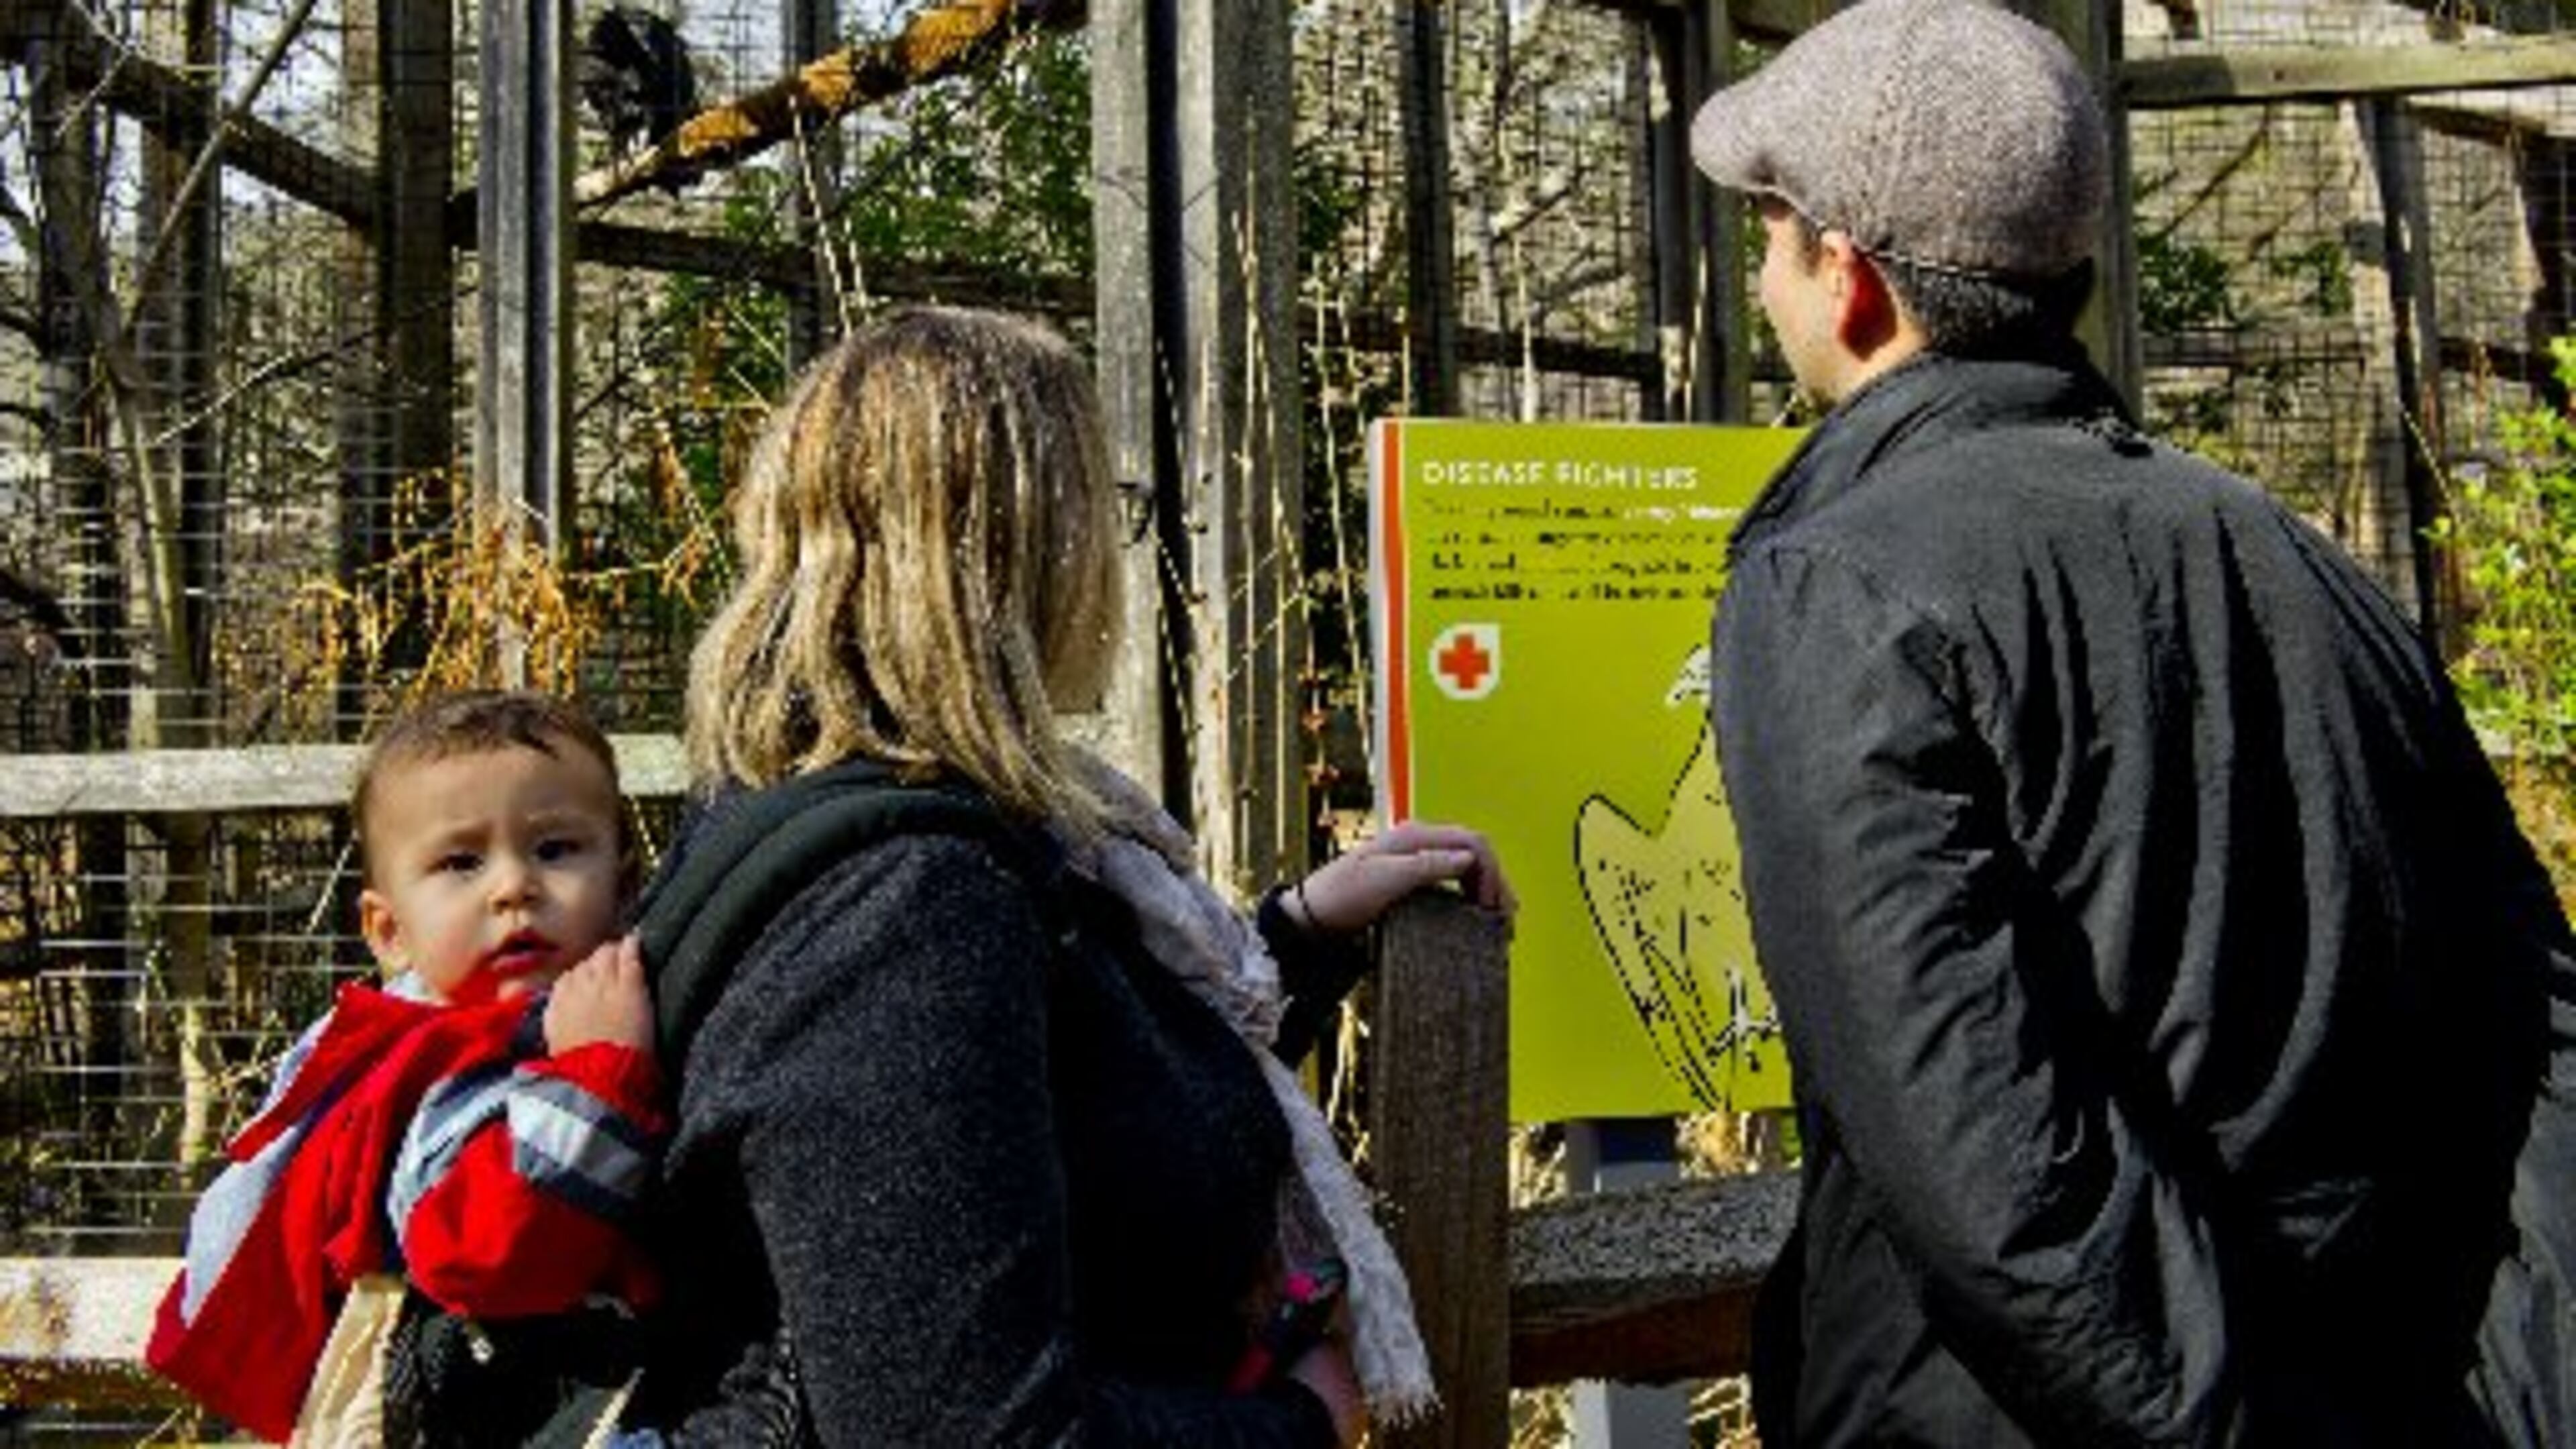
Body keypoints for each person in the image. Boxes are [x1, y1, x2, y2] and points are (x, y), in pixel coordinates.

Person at [1688, 1, 2576, 1444]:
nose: (1764, 278)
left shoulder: (1836, 590)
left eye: (1770, 232)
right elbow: (2534, 1005)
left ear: (1847, 280)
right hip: (2393, 1389)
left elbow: (1979, 1152)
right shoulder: (2295, 554)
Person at [620, 305, 1513, 1448]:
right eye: (1109, 509)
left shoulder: (907, 824)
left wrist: (1298, 935)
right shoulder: (899, 907)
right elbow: (965, 1430)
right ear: (1020, 546)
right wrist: (1296, 1424)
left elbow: (1069, 1119)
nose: (1113, 555)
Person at [148, 690, 665, 1443]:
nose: (512, 886)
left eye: (556, 849)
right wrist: (598, 1077)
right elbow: (486, 1259)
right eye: (461, 862)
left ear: (623, 888)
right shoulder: (435, 1069)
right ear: (389, 933)